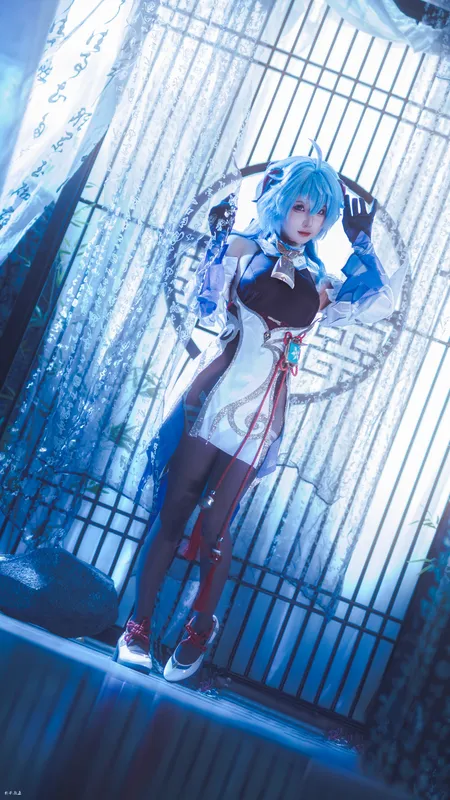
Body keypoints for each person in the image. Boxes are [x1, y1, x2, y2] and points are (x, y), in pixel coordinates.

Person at [113, 144, 399, 682]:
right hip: (210, 398)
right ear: (279, 204)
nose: (308, 220)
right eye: (299, 206)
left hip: (262, 415)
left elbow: (380, 302)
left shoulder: (324, 282)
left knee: (216, 526)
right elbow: (205, 302)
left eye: (320, 211)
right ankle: (138, 627)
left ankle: (200, 626)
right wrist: (219, 243)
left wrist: (363, 244)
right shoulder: (243, 248)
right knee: (174, 511)